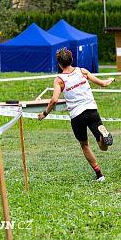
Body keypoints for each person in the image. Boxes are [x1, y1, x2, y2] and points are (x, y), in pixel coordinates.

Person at [38, 48, 115, 182]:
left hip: (77, 115)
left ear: (59, 64)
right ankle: (103, 136)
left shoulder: (59, 79)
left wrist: (44, 113)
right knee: (103, 147)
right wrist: (110, 79)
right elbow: (103, 83)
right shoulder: (82, 71)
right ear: (72, 60)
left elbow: (54, 100)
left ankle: (99, 175)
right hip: (92, 111)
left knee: (84, 145)